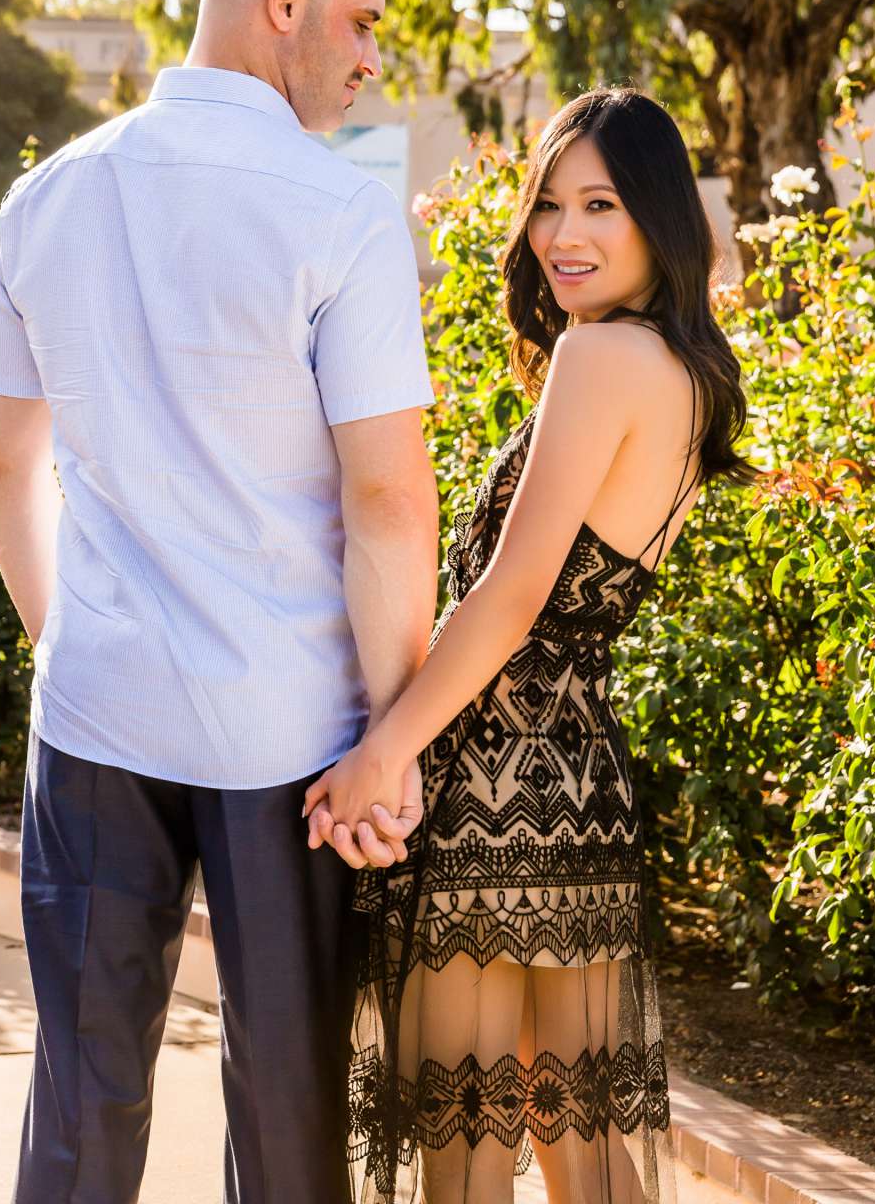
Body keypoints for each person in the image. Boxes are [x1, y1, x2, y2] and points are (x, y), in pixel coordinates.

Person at [0, 0, 441, 1204]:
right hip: (286, 743)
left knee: (80, 1097)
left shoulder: (44, 198)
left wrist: (65, 641)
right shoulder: (339, 216)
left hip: (94, 723)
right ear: (281, 4)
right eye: (359, 22)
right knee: (290, 1112)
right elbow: (389, 506)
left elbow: (13, 465)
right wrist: (390, 745)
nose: (369, 58)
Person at [305, 88, 752, 1203]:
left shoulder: (600, 358)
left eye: (600, 204)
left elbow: (507, 598)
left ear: (658, 217)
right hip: (584, 792)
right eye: (549, 205)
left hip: (494, 782)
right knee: (591, 1165)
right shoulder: (684, 371)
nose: (563, 235)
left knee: (465, 1174)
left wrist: (381, 751)